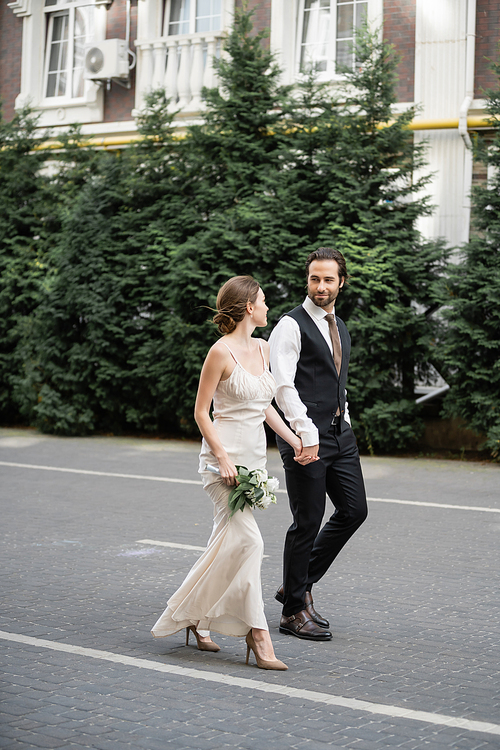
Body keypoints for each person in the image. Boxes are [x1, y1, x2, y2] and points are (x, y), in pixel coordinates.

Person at [152, 275, 307, 670]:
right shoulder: (220, 353)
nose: (269, 307)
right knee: (250, 543)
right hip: (222, 462)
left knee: (226, 542)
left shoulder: (264, 347)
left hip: (255, 461)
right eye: (264, 301)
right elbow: (201, 412)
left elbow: (265, 405)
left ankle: (195, 619)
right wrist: (221, 456)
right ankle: (259, 636)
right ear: (248, 308)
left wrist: (293, 439)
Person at [269, 247, 368, 642]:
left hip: (339, 434)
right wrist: (305, 434)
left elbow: (335, 378)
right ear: (307, 280)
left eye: (328, 279)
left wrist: (344, 419)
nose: (321, 286)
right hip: (304, 437)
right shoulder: (290, 326)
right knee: (307, 521)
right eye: (314, 279)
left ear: (341, 281)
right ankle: (293, 610)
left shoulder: (338, 325)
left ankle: (296, 583)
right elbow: (282, 386)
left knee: (354, 510)